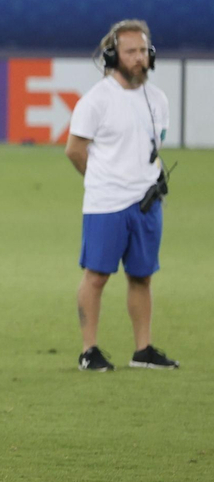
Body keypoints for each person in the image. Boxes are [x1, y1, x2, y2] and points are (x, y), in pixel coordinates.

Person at [64, 20, 178, 372]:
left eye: (143, 51)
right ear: (113, 55)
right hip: (106, 204)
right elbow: (74, 150)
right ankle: (89, 351)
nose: (139, 58)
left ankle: (142, 350)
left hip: (147, 203)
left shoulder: (157, 99)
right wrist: (102, 180)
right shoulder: (95, 100)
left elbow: (153, 148)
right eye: (131, 52)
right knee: (96, 276)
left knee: (142, 276)